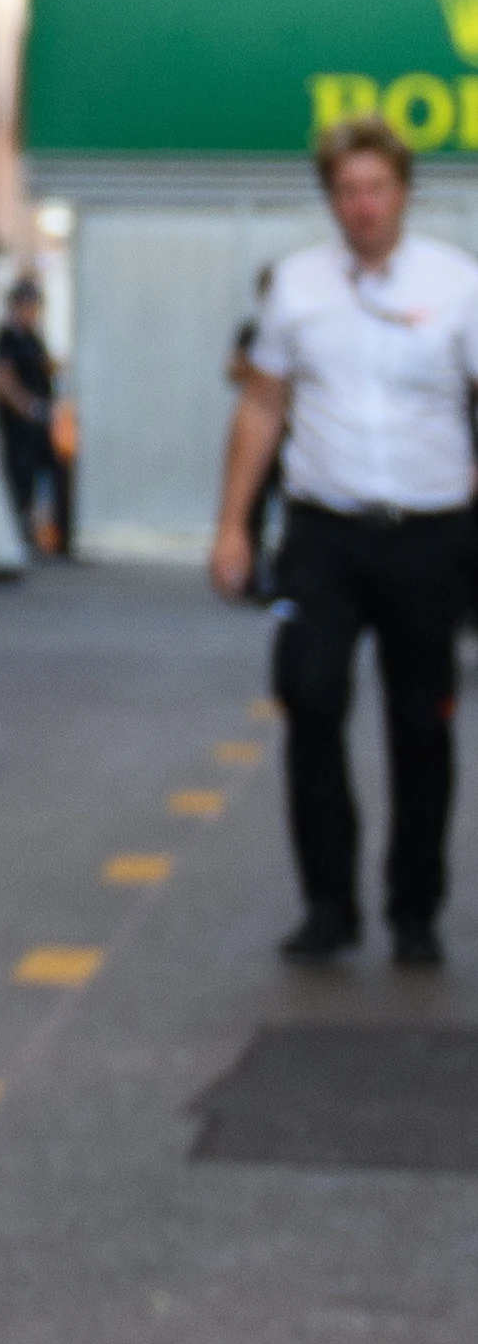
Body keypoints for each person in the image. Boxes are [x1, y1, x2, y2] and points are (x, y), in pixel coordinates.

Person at [213, 119, 478, 964]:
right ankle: (330, 903)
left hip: (430, 533)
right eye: (347, 191)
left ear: (404, 192)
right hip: (324, 532)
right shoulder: (296, 287)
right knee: (312, 696)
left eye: (377, 189)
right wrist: (230, 527)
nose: (362, 206)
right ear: (331, 199)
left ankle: (413, 909)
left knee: (422, 723)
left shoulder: (458, 283)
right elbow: (262, 405)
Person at [0, 274, 68, 560]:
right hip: (19, 423)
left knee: (45, 474)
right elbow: (4, 380)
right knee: (19, 477)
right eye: (29, 307)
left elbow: (43, 366)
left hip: (38, 422)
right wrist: (27, 407)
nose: (33, 313)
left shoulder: (33, 337)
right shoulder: (7, 338)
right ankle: (16, 535)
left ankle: (41, 533)